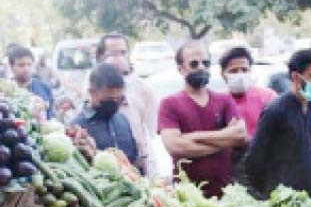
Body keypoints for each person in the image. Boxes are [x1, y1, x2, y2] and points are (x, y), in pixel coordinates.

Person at [158, 41, 245, 197]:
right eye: (194, 63)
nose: (201, 67)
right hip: (188, 198)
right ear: (181, 69)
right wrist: (224, 139)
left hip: (226, 194)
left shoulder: (224, 100)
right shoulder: (169, 104)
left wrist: (194, 137)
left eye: (206, 63)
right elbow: (176, 147)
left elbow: (239, 136)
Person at [245, 49, 311, 199]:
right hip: (284, 200)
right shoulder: (275, 110)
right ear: (296, 77)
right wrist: (270, 193)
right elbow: (255, 158)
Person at [96, 33, 159, 177]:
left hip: (137, 168)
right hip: (102, 170)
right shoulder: (92, 86)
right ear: (100, 56)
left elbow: (152, 136)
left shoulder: (143, 90)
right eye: (112, 53)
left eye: (123, 53)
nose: (118, 58)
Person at [219, 46, 277, 184]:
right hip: (230, 170)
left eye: (244, 70)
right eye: (233, 71)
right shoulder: (217, 102)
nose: (240, 74)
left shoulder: (268, 97)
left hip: (265, 167)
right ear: (223, 74)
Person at [70, 63, 139, 168]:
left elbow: (134, 160)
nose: (115, 103)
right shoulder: (77, 127)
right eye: (110, 99)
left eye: (119, 99)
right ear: (92, 92)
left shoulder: (122, 120)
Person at [9, 46, 54, 119]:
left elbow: (50, 118)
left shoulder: (45, 88)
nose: (26, 69)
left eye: (29, 65)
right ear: (12, 67)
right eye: (21, 65)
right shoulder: (5, 91)